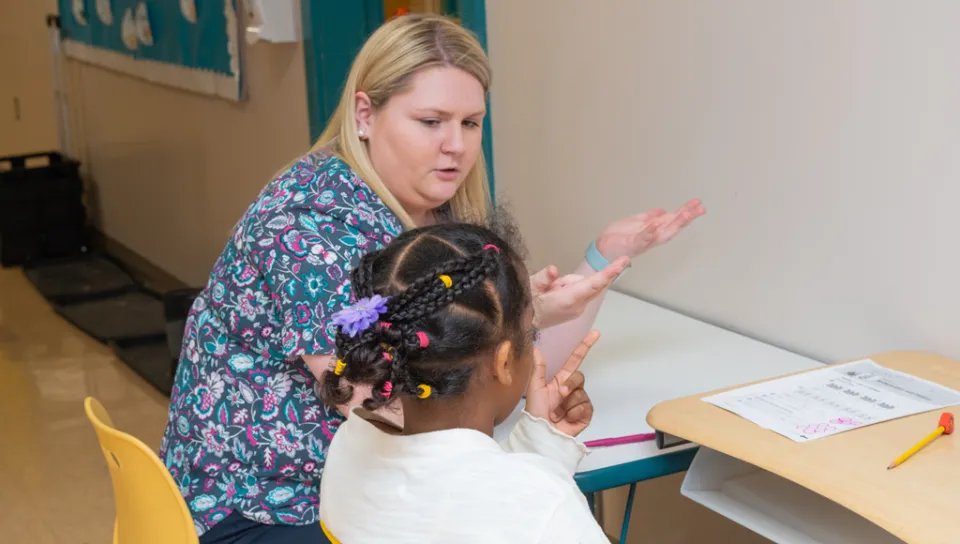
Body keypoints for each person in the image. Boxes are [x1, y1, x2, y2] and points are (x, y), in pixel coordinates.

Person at [159, 12, 704, 543]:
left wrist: (596, 264)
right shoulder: (310, 225)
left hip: (363, 485)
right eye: (431, 121)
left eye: (470, 123)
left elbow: (487, 375)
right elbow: (394, 403)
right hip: (267, 509)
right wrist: (513, 338)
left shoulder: (431, 209)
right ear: (366, 115)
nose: (457, 145)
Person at [317, 221, 608, 543]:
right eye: (531, 332)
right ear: (504, 362)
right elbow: (520, 512)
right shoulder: (548, 509)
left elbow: (481, 500)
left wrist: (543, 439)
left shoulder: (350, 443)